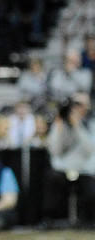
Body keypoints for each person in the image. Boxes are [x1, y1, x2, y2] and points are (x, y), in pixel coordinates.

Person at [41, 93, 95, 227]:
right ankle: (52, 219)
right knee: (50, 179)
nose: (76, 108)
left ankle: (87, 220)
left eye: (80, 104)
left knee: (90, 189)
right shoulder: (60, 123)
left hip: (85, 169)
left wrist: (78, 127)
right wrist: (60, 129)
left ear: (87, 107)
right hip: (63, 169)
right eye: (74, 104)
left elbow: (90, 149)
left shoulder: (91, 123)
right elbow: (55, 150)